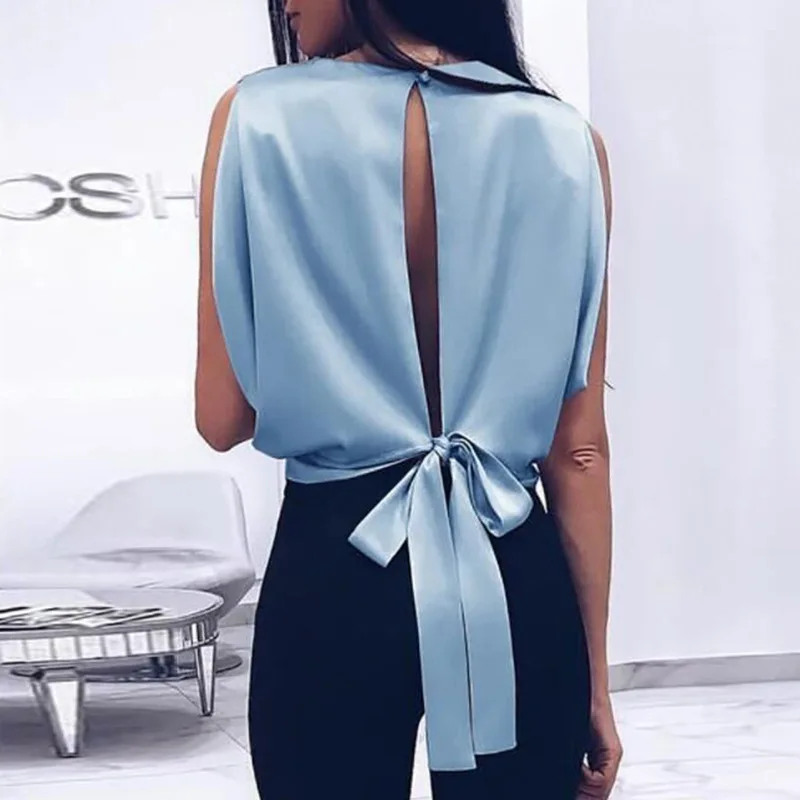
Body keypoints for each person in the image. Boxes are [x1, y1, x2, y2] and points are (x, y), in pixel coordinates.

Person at [194, 0, 622, 797]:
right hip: (513, 564)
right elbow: (580, 453)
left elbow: (222, 417)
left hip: (335, 564)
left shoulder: (255, 115)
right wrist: (595, 685)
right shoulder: (568, 139)